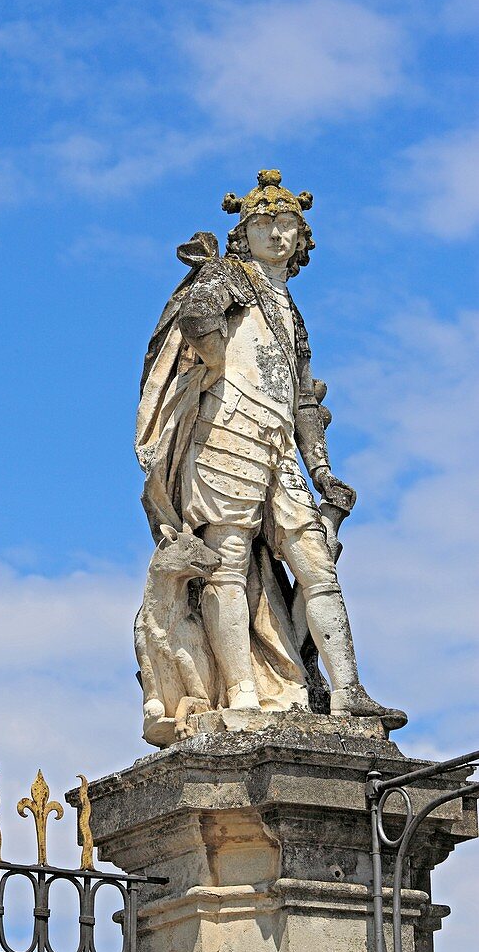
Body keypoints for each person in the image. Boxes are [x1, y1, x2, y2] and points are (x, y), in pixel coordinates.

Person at [136, 170, 404, 727]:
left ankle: (349, 692)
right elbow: (196, 315)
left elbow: (303, 399)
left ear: (302, 238)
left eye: (288, 226)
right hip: (225, 434)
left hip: (279, 445)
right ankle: (241, 696)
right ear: (245, 233)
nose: (278, 235)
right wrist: (211, 362)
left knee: (318, 564)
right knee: (226, 562)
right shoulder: (233, 276)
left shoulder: (290, 311)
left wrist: (322, 469)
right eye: (265, 225)